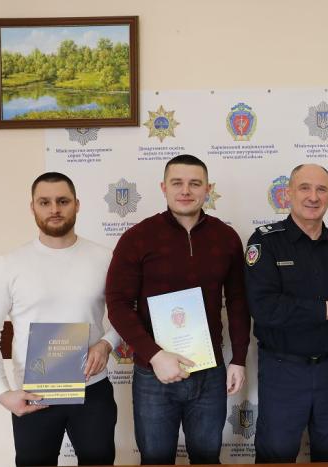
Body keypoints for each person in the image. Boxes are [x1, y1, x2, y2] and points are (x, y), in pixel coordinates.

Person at [105, 154, 251, 465]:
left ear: (207, 189)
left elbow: (238, 301)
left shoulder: (226, 238)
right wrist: (155, 355)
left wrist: (239, 358)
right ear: (164, 187)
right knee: (155, 460)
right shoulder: (137, 238)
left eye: (195, 183)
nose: (186, 190)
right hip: (153, 373)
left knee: (207, 459)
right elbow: (117, 304)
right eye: (177, 183)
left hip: (209, 372)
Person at [0, 172, 119, 466]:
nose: (54, 209)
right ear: (32, 207)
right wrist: (2, 393)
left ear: (77, 204)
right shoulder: (8, 265)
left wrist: (106, 343)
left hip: (92, 389)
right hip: (34, 395)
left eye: (63, 201)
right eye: (45, 202)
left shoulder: (105, 259)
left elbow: (127, 314)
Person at [245, 164, 328, 463]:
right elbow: (265, 308)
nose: (313, 196)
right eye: (304, 188)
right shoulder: (265, 242)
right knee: (276, 457)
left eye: (321, 189)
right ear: (288, 193)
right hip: (283, 370)